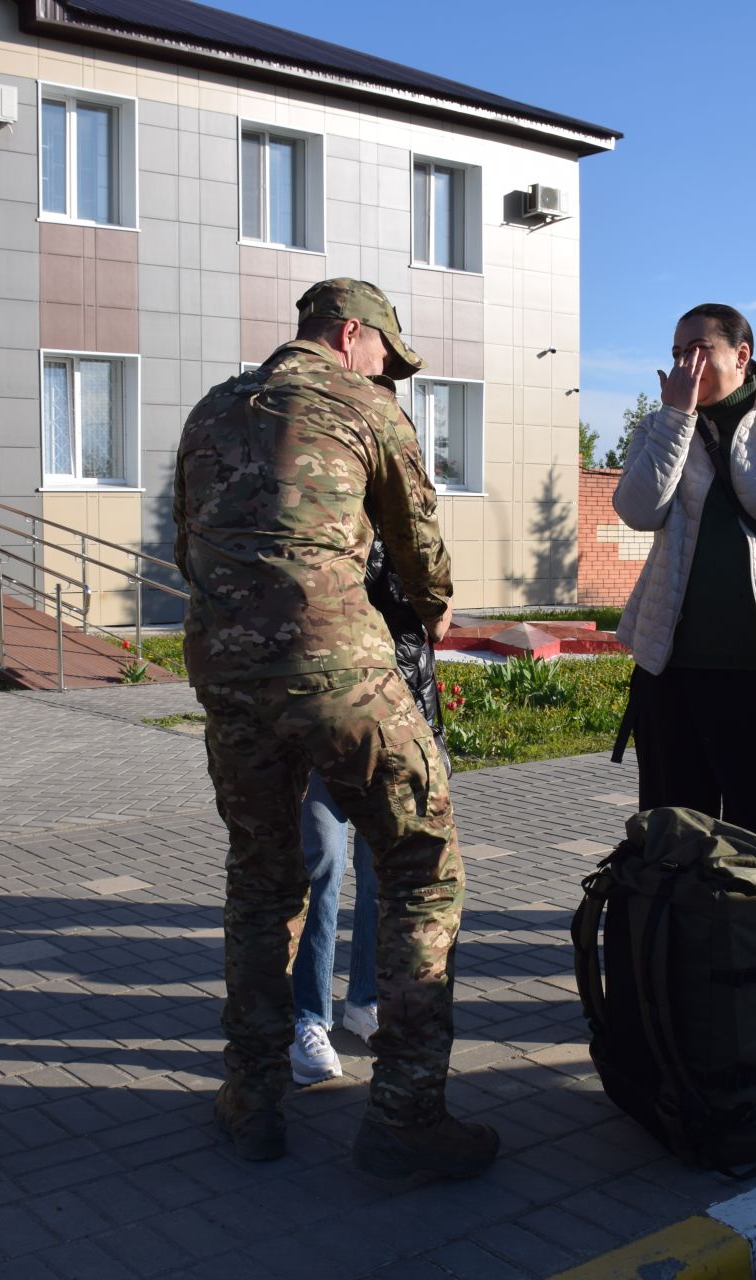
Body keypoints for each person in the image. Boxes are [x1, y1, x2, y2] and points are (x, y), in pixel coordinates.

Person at [175, 278, 498, 1179]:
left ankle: (250, 1098)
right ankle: (406, 1117)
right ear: (350, 335)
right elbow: (418, 544)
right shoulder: (364, 406)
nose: (388, 373)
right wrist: (429, 612)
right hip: (339, 670)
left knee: (261, 878)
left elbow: (185, 546)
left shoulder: (210, 410)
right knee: (423, 866)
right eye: (385, 357)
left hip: (231, 676)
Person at [611, 303, 756, 841]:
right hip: (669, 667)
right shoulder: (657, 427)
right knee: (673, 828)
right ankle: (677, 928)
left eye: (697, 350)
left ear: (741, 356)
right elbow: (637, 510)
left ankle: (754, 926)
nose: (684, 365)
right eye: (676, 353)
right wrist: (676, 418)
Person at [290, 536, 447, 1085]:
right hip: (318, 720)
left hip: (393, 722)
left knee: (381, 871)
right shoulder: (312, 515)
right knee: (321, 867)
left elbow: (438, 615)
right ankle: (309, 1018)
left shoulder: (402, 517)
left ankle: (364, 1001)